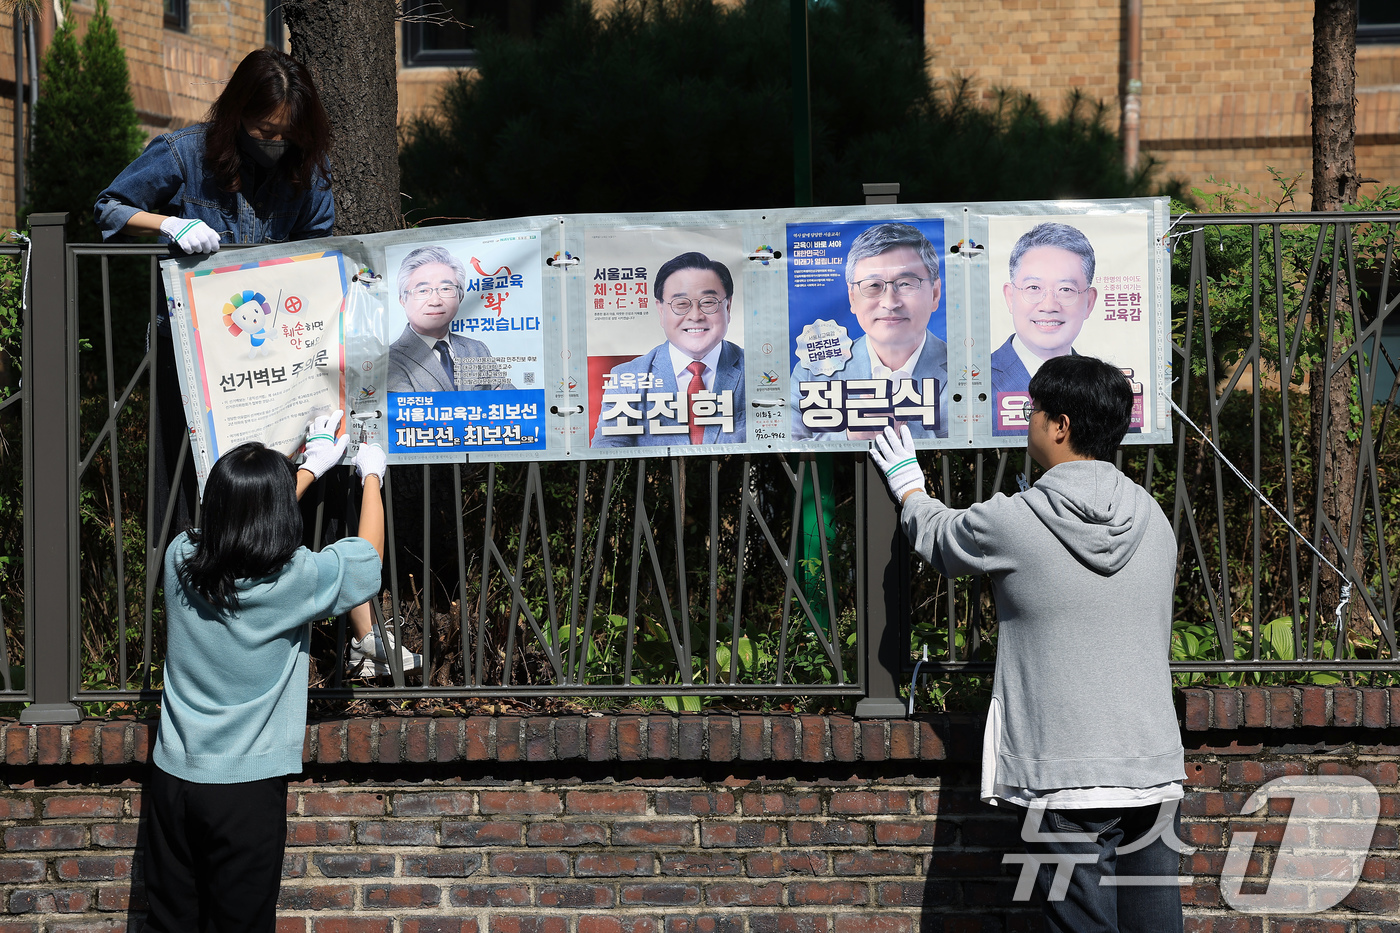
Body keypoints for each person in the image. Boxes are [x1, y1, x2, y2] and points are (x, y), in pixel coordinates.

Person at [871, 354, 1185, 933]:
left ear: (1060, 426)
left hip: (1064, 776)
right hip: (1153, 771)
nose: (1029, 419)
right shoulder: (1152, 515)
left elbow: (941, 540)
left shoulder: (1019, 518)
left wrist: (909, 486)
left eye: (1035, 410)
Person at [144, 433, 388, 933]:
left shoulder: (180, 559)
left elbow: (240, 526)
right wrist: (371, 477)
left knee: (169, 924)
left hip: (173, 778)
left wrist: (307, 470)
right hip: (246, 791)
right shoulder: (294, 579)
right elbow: (367, 558)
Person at [790, 222, 949, 440]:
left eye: (905, 284)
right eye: (873, 286)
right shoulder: (813, 371)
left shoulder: (965, 370)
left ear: (935, 293)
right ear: (852, 297)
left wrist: (899, 431)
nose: (890, 302)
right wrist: (851, 435)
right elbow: (785, 443)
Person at [591, 251, 745, 447]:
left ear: (728, 307)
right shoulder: (627, 377)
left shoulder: (756, 371)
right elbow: (606, 450)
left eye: (708, 302)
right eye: (681, 304)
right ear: (661, 310)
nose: (695, 315)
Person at [991, 222, 1098, 434]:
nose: (1049, 306)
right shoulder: (976, 384)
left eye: (1065, 289)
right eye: (1033, 288)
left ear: (1089, 302)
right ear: (1010, 297)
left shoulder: (1104, 390)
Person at [387, 245, 515, 393]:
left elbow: (510, 402)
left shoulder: (477, 349)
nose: (435, 301)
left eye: (446, 289)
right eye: (423, 290)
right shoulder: (390, 360)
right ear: (403, 299)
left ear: (460, 296)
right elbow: (408, 413)